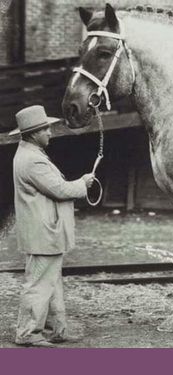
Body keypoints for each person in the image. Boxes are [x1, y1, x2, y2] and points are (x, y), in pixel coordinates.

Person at [10, 105, 95, 347]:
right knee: (39, 284)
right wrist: (83, 183)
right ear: (32, 133)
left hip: (44, 232)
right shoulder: (32, 161)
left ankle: (56, 329)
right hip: (43, 232)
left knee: (51, 282)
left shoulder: (30, 154)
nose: (50, 132)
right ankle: (28, 333)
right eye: (45, 128)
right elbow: (60, 190)